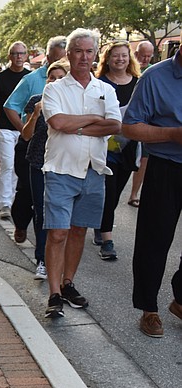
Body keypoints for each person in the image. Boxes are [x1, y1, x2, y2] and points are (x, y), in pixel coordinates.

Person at [41, 28, 121, 318]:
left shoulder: (105, 90)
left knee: (78, 231)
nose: (84, 56)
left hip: (94, 170)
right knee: (59, 232)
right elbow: (58, 122)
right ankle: (53, 294)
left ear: (95, 54)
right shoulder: (55, 88)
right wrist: (91, 120)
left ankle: (68, 283)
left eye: (89, 51)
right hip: (61, 169)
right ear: (69, 54)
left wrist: (76, 126)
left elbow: (114, 125)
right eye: (78, 50)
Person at [122, 47, 182, 338]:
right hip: (166, 167)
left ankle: (180, 298)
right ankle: (149, 309)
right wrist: (172, 134)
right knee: (154, 241)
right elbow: (131, 127)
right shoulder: (154, 77)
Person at [3, 36, 68, 247]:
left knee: (49, 201)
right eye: (58, 58)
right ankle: (21, 223)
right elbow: (10, 106)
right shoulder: (32, 80)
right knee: (27, 193)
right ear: (48, 57)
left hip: (59, 151)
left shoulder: (73, 82)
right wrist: (25, 129)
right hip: (32, 147)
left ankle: (50, 242)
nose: (63, 63)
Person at [21, 59, 71, 281]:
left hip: (64, 163)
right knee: (41, 211)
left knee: (62, 216)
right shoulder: (35, 101)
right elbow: (26, 135)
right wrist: (35, 113)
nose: (56, 81)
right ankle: (41, 259)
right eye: (52, 77)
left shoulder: (72, 103)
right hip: (38, 161)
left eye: (61, 78)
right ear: (46, 80)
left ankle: (60, 261)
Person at [93, 40, 141, 260]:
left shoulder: (139, 83)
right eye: (115, 56)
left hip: (129, 146)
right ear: (107, 59)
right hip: (104, 146)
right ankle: (107, 239)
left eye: (124, 55)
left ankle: (100, 223)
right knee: (108, 193)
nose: (120, 59)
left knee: (116, 193)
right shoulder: (99, 84)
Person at [0, 42, 31, 220]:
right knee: (7, 164)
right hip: (5, 128)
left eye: (21, 53)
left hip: (25, 128)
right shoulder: (0, 78)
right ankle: (5, 202)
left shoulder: (30, 77)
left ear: (26, 55)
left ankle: (14, 200)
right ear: (9, 56)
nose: (18, 57)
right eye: (15, 53)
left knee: (19, 166)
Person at [128, 40, 156, 208]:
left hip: (146, 123)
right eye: (142, 55)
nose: (145, 59)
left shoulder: (154, 71)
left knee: (144, 159)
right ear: (136, 54)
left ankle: (134, 194)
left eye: (148, 56)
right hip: (128, 121)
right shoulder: (130, 68)